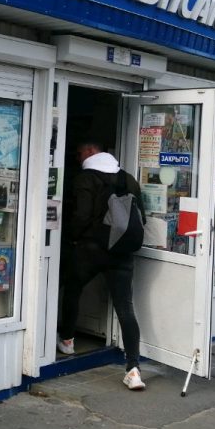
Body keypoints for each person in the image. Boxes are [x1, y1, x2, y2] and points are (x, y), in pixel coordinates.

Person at [57, 141, 147, 391]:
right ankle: (133, 369)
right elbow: (141, 215)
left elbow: (81, 216)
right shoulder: (128, 179)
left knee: (73, 287)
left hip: (92, 249)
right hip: (122, 251)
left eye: (78, 153)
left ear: (89, 152)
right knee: (125, 307)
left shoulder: (85, 179)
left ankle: (67, 340)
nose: (77, 158)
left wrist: (73, 238)